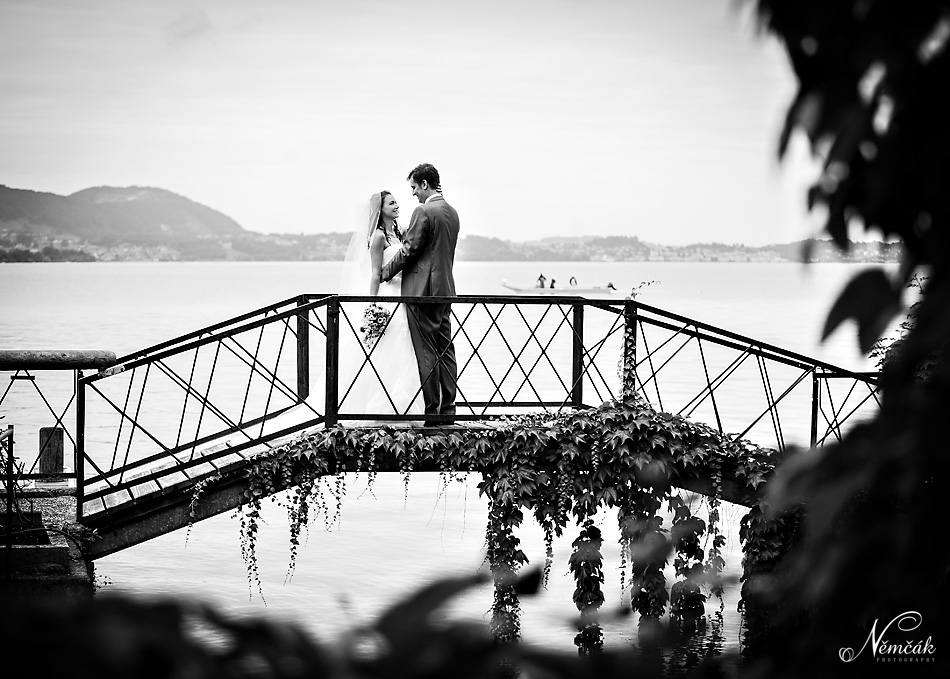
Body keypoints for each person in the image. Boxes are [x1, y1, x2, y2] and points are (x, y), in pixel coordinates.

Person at [381, 163, 459, 426]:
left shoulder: (423, 211)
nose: (413, 193)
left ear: (425, 184)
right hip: (445, 291)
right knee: (445, 349)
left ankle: (432, 413)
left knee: (426, 351)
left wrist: (385, 273)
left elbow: (409, 250)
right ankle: (448, 410)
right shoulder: (453, 212)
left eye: (414, 187)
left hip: (421, 293)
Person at [337, 190, 424, 422]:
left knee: (405, 350)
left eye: (397, 202)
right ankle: (380, 406)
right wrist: (373, 304)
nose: (397, 206)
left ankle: (406, 404)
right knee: (387, 350)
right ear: (381, 209)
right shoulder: (378, 237)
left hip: (405, 295)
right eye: (392, 203)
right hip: (388, 295)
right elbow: (376, 273)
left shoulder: (401, 231)